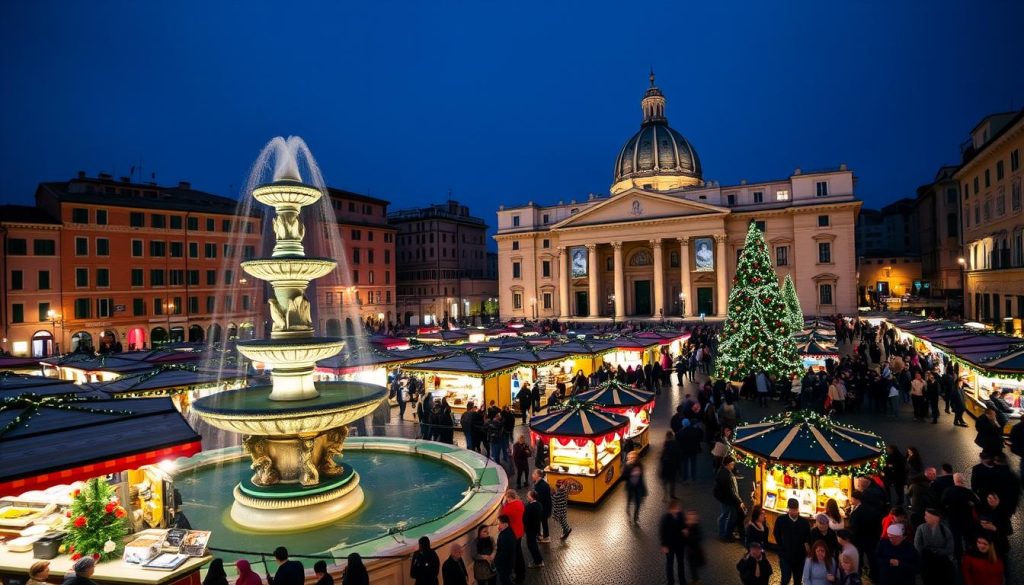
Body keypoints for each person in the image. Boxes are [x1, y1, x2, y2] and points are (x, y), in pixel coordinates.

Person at [773, 498, 811, 585]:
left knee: (797, 580)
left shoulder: (804, 522)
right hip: (785, 556)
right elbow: (776, 533)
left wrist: (806, 550)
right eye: (792, 510)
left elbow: (807, 538)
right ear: (788, 509)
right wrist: (781, 547)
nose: (794, 512)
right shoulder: (781, 520)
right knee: (785, 579)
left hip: (800, 557)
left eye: (796, 510)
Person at [912, 508, 954, 585]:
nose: (925, 517)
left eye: (927, 516)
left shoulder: (945, 530)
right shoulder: (921, 528)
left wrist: (935, 551)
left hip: (941, 564)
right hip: (927, 563)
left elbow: (950, 548)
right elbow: (917, 546)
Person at [714, 456, 744, 541]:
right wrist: (739, 501)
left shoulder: (723, 471)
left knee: (725, 514)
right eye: (732, 464)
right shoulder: (726, 475)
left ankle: (723, 533)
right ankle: (726, 535)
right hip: (728, 500)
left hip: (724, 498)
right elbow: (731, 491)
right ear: (727, 464)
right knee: (729, 516)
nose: (733, 466)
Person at [500, 489, 526, 579]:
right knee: (519, 552)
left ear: (508, 497)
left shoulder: (510, 506)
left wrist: (503, 504)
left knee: (515, 554)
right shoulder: (520, 503)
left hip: (513, 532)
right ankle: (521, 572)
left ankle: (518, 573)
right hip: (520, 530)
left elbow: (503, 515)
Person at [659, 500, 686, 585]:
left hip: (679, 544)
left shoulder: (681, 515)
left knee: (680, 563)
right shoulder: (665, 518)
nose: (677, 510)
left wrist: (684, 530)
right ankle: (671, 582)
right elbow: (662, 532)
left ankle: (682, 581)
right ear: (670, 509)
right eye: (675, 508)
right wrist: (664, 545)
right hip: (669, 545)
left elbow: (683, 525)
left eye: (678, 508)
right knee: (669, 564)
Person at [683, 510, 706, 584]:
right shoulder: (687, 526)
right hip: (690, 552)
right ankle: (695, 579)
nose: (689, 520)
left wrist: (687, 535)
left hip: (695, 552)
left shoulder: (696, 528)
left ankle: (696, 580)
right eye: (688, 518)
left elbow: (696, 539)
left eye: (691, 519)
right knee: (692, 567)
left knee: (693, 567)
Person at [522, 490, 544, 568]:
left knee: (531, 545)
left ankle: (538, 561)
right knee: (533, 544)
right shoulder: (539, 505)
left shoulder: (529, 507)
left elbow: (525, 519)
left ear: (532, 497)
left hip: (530, 529)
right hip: (535, 528)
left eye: (528, 496)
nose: (527, 497)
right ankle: (539, 560)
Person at [624, 451, 647, 524]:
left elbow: (642, 477)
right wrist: (628, 469)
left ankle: (636, 517)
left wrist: (644, 490)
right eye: (631, 457)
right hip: (630, 488)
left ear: (636, 458)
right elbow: (623, 477)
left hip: (638, 487)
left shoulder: (639, 465)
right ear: (628, 458)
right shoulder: (627, 466)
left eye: (634, 457)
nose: (632, 459)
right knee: (629, 502)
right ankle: (628, 514)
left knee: (638, 503)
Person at [659, 430, 681, 500]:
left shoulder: (665, 444)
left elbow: (662, 457)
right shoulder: (676, 444)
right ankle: (672, 495)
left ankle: (665, 494)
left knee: (665, 482)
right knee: (672, 482)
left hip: (666, 466)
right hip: (673, 466)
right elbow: (678, 456)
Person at [494, 515, 517, 585]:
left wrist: (496, 559)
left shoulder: (505, 536)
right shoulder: (509, 531)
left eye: (499, 523)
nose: (497, 525)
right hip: (508, 562)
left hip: (504, 564)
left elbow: (503, 552)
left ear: (505, 524)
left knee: (505, 580)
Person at [531, 469, 552, 542]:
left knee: (543, 522)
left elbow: (541, 498)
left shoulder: (542, 485)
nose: (532, 475)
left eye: (534, 474)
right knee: (542, 522)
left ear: (538, 475)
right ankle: (543, 535)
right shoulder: (538, 483)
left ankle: (545, 537)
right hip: (542, 508)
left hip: (543, 508)